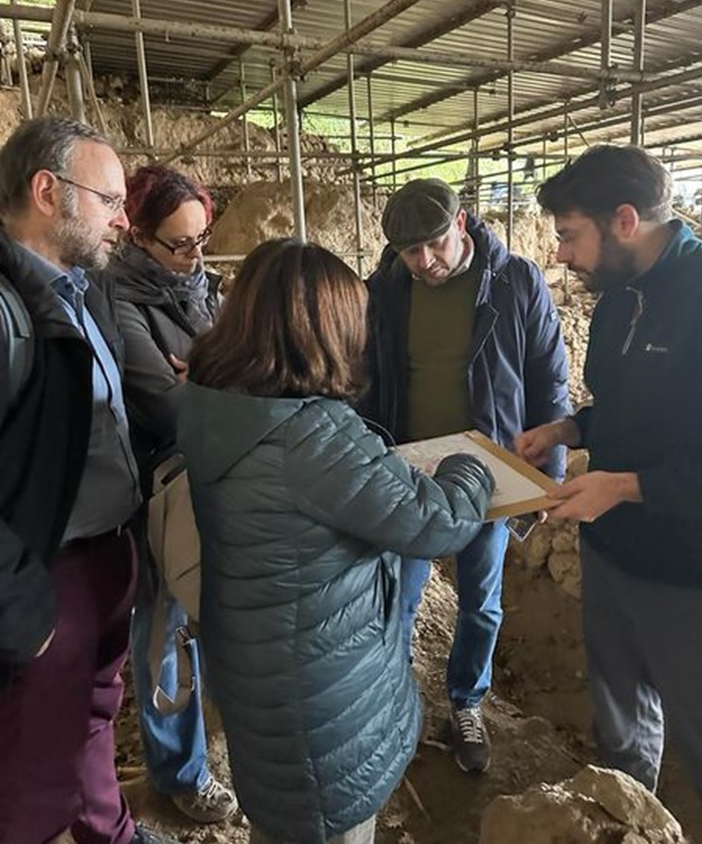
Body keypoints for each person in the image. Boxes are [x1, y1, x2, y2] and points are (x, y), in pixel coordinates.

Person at [178, 238, 497, 844]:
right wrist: (470, 462)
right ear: (320, 331)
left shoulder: (210, 403)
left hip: (258, 673)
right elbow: (438, 522)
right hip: (323, 707)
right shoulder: (310, 436)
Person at [0, 117, 177, 844]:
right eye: (107, 199)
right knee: (30, 774)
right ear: (48, 192)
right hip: (50, 579)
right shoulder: (6, 311)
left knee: (95, 722)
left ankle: (109, 828)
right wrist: (23, 607)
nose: (122, 217)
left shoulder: (78, 291)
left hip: (105, 557)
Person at [362, 177, 569, 773]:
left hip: (491, 471)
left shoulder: (515, 282)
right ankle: (391, 703)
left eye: (433, 245)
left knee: (481, 600)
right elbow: (370, 374)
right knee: (400, 594)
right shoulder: (387, 290)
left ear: (461, 223)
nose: (423, 262)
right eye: (409, 252)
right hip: (411, 472)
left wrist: (543, 480)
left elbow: (549, 382)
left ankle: (466, 702)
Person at [516, 145, 702, 797]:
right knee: (620, 725)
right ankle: (625, 816)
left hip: (683, 574)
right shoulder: (620, 299)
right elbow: (624, 408)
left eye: (569, 235)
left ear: (625, 220)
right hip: (609, 552)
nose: (561, 254)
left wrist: (623, 487)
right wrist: (570, 429)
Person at [109, 163, 236, 824]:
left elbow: (217, 383)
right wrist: (234, 376)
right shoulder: (117, 301)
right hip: (158, 491)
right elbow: (168, 405)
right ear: (138, 235)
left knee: (206, 611)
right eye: (180, 243)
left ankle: (204, 742)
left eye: (202, 239)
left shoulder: (202, 290)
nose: (194, 255)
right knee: (163, 626)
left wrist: (214, 375)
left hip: (214, 477)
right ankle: (178, 772)